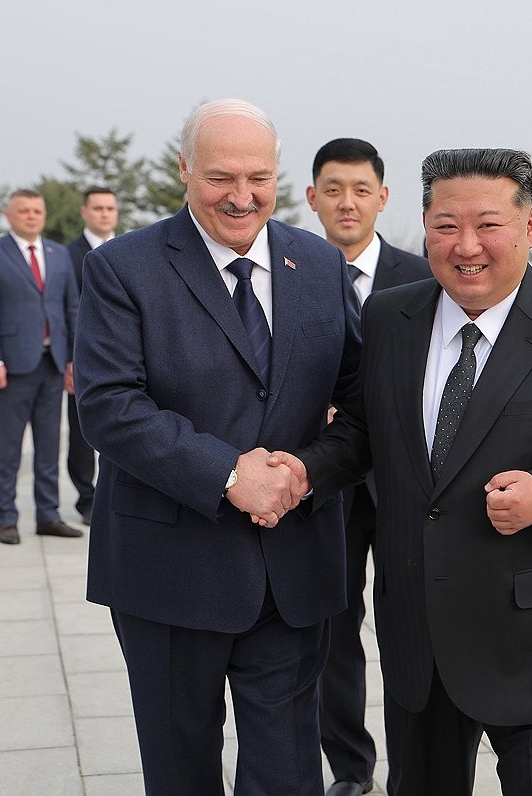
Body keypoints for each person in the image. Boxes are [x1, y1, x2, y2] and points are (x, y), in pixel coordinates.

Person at [286, 148, 532, 795]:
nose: (466, 246)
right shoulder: (391, 317)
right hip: (421, 641)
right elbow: (362, 431)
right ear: (424, 224)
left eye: (488, 224)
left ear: (530, 225)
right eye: (445, 225)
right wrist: (301, 472)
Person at [73, 99, 362, 795]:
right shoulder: (123, 268)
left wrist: (304, 472)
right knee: (181, 771)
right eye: (219, 177)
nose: (241, 196)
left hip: (293, 569)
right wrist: (229, 473)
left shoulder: (319, 262)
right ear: (183, 170)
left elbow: (361, 401)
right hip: (170, 571)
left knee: (288, 776)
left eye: (258, 176)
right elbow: (109, 406)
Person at [305, 137, 431, 796]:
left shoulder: (423, 277)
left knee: (415, 626)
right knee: (334, 628)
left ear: (383, 198)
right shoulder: (291, 274)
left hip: (411, 486)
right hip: (328, 486)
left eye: (360, 189)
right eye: (333, 189)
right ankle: (351, 769)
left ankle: (420, 769)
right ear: (311, 198)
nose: (346, 202)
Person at [0, 189, 81, 545]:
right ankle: (6, 517)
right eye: (24, 211)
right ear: (9, 215)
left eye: (37, 210)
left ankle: (48, 515)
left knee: (49, 446)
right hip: (13, 366)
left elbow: (71, 310)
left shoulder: (58, 254)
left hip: (52, 363)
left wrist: (72, 360)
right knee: (10, 448)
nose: (32, 216)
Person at [64, 186, 118, 525]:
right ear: (84, 212)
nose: (104, 214)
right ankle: (86, 497)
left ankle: (111, 495)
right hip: (82, 357)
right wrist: (70, 359)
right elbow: (66, 309)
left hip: (124, 354)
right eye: (97, 208)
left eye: (110, 208)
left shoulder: (133, 251)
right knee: (82, 431)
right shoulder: (66, 255)